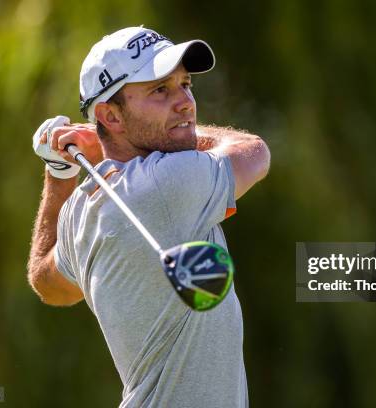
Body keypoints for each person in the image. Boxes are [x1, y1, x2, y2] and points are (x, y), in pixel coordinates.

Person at [27, 26, 270, 407]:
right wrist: (102, 135)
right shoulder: (166, 184)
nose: (186, 102)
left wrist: (59, 174)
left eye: (185, 84)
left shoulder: (83, 207)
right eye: (160, 90)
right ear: (110, 115)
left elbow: (48, 282)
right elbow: (253, 152)